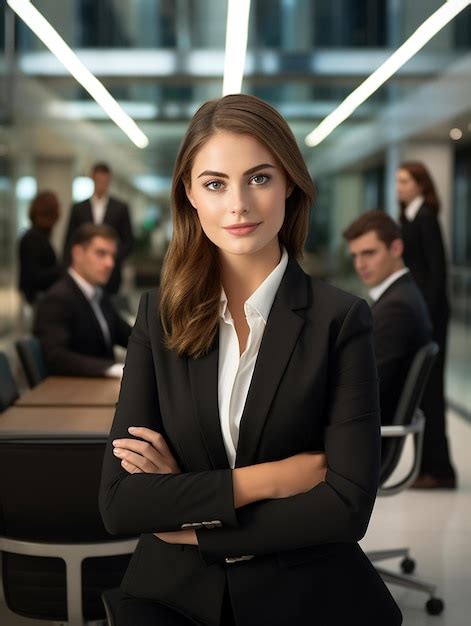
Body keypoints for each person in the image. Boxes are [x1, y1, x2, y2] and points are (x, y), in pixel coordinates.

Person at [99, 94, 402, 626]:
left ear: (290, 184)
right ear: (190, 195)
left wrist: (191, 518)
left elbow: (347, 505)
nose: (237, 204)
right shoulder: (158, 316)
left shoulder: (342, 320)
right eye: (215, 183)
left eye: (259, 178)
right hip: (173, 594)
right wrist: (272, 481)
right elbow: (122, 501)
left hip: (305, 590)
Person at [396, 162, 456, 489]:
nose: (399, 187)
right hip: (422, 314)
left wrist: (425, 320)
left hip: (430, 318)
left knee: (430, 394)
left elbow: (437, 274)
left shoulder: (426, 218)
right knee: (422, 393)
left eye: (405, 181)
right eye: (397, 181)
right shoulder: (411, 216)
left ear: (421, 183)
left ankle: (439, 470)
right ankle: (427, 469)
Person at [343, 210, 432, 426]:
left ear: (396, 248)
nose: (360, 265)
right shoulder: (402, 295)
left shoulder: (397, 308)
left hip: (364, 439)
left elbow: (366, 391)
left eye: (369, 253)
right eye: (355, 256)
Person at [34, 224, 131, 377]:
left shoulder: (98, 294)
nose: (110, 263)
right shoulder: (58, 298)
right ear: (77, 253)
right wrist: (112, 369)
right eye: (101, 253)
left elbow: (129, 336)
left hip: (100, 389)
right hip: (74, 392)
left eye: (112, 256)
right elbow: (56, 357)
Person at [63, 162, 134, 294]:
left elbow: (129, 241)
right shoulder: (79, 208)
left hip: (112, 274)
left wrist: (111, 256)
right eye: (98, 180)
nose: (101, 184)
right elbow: (70, 240)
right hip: (84, 270)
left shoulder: (120, 208)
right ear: (93, 179)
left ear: (109, 180)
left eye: (104, 181)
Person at [18, 190, 62, 304]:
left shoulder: (37, 236)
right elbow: (33, 276)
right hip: (37, 299)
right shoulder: (33, 238)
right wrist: (62, 269)